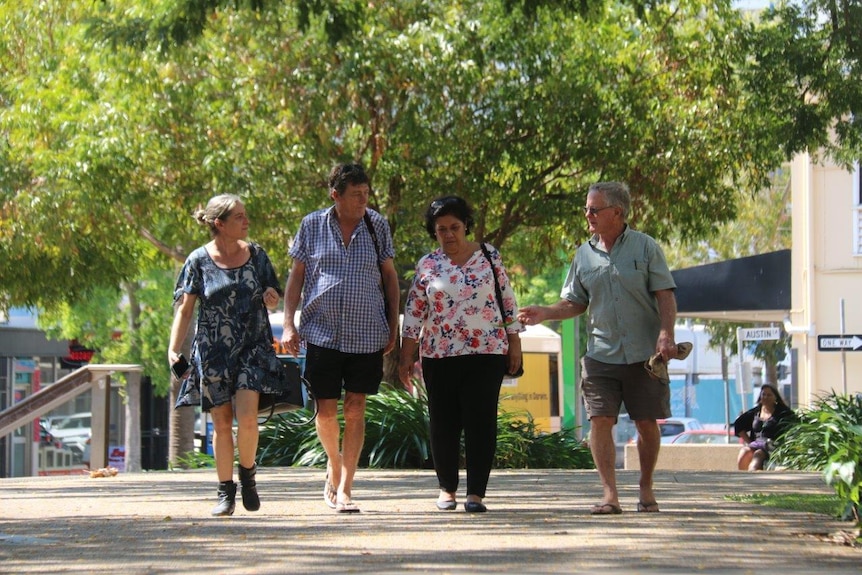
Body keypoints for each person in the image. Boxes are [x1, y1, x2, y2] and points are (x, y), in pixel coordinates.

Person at [518, 181, 682, 515]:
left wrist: (666, 333)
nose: (588, 215)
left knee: (646, 423)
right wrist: (546, 312)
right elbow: (574, 303)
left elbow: (665, 294)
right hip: (600, 354)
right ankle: (610, 494)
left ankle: (645, 486)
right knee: (601, 420)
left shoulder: (646, 248)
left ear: (617, 212)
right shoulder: (583, 255)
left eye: (594, 209)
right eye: (586, 209)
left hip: (644, 356)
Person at [281, 163, 400, 513]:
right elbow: (296, 277)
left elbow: (390, 278)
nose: (364, 200)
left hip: (366, 334)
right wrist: (289, 324)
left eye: (366, 193)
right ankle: (333, 463)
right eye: (356, 195)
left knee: (356, 407)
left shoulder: (376, 225)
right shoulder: (312, 225)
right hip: (321, 331)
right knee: (326, 411)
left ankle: (346, 486)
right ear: (336, 195)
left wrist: (392, 325)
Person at [398, 196, 524, 513]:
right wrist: (405, 356)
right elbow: (414, 313)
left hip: (487, 352)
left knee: (481, 422)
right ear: (435, 233)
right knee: (443, 423)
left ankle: (476, 494)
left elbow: (508, 302)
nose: (449, 234)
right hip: (439, 355)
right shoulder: (427, 265)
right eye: (442, 229)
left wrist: (515, 343)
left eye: (454, 227)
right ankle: (447, 490)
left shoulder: (489, 256)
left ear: (465, 225)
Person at [169, 194, 284, 516]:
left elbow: (272, 297)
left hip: (252, 346)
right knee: (221, 425)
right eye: (239, 217)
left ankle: (247, 476)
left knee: (247, 419)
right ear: (219, 224)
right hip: (213, 351)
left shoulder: (257, 255)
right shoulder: (198, 261)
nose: (247, 221)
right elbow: (185, 309)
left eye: (246, 215)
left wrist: (271, 298)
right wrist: (173, 349)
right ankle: (225, 492)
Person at [734, 384, 794, 471]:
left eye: (769, 395)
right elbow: (738, 425)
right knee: (744, 452)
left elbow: (793, 428)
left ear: (775, 397)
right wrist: (749, 441)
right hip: (756, 444)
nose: (766, 397)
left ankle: (754, 476)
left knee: (757, 456)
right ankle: (743, 478)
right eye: (763, 395)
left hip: (771, 446)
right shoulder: (755, 412)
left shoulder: (783, 413)